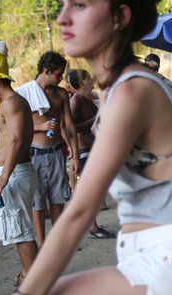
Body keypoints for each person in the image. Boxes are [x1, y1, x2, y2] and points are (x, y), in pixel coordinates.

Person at [0, 1, 172, 295]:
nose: (63, 16)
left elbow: (81, 211)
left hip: (164, 268)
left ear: (120, 16)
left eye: (80, 5)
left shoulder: (132, 91)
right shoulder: (119, 90)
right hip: (148, 259)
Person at [16, 51, 80, 246]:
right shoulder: (24, 94)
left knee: (58, 199)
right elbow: (15, 127)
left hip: (56, 153)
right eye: (58, 74)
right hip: (34, 154)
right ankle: (43, 245)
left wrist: (75, 155)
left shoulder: (60, 94)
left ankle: (57, 243)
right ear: (46, 71)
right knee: (37, 202)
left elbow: (69, 126)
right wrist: (40, 127)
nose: (61, 79)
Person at [0, 41, 39, 287]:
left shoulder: (12, 102)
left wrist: (3, 178)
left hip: (13, 174)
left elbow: (15, 141)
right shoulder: (7, 105)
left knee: (22, 232)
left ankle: (33, 285)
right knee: (18, 231)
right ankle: (27, 276)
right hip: (11, 173)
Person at [67, 69, 115, 239]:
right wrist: (95, 120)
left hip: (93, 149)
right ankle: (92, 228)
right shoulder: (75, 101)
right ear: (81, 82)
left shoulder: (86, 98)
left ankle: (92, 225)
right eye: (86, 77)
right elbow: (71, 128)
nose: (90, 78)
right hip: (83, 151)